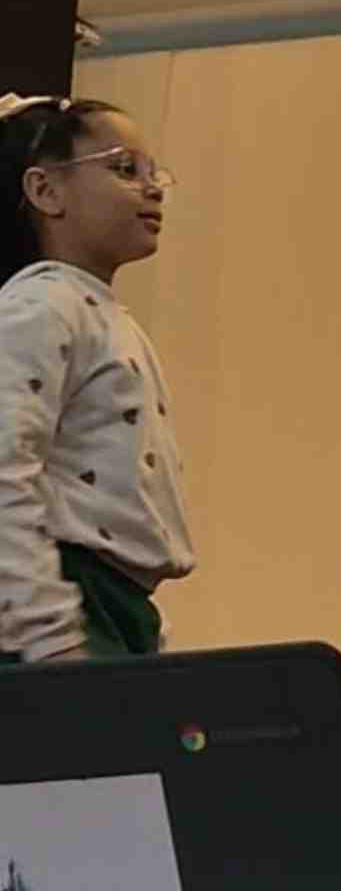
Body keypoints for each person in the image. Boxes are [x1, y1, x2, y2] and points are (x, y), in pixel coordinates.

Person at [0, 92, 195, 662]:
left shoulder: (106, 317)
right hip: (61, 613)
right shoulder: (41, 306)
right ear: (46, 190)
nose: (153, 188)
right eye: (124, 168)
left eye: (154, 172)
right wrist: (49, 635)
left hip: (116, 613)